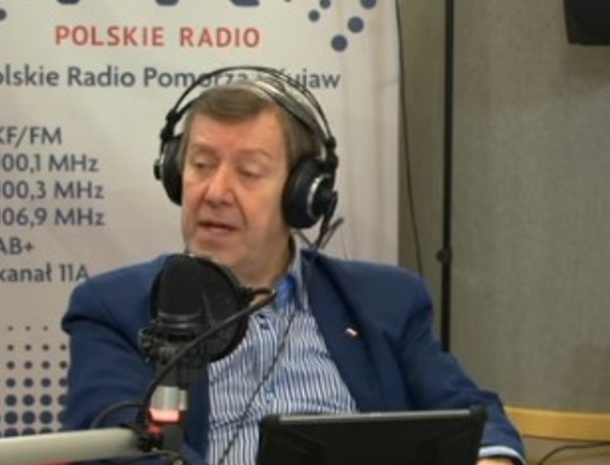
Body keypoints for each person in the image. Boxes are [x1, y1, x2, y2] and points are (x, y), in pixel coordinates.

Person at [61, 66, 526, 465]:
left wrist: (490, 458)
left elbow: (471, 412)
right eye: (201, 165)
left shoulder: (386, 301)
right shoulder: (114, 308)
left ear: (303, 195)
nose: (215, 192)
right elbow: (114, 444)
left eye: (248, 172)